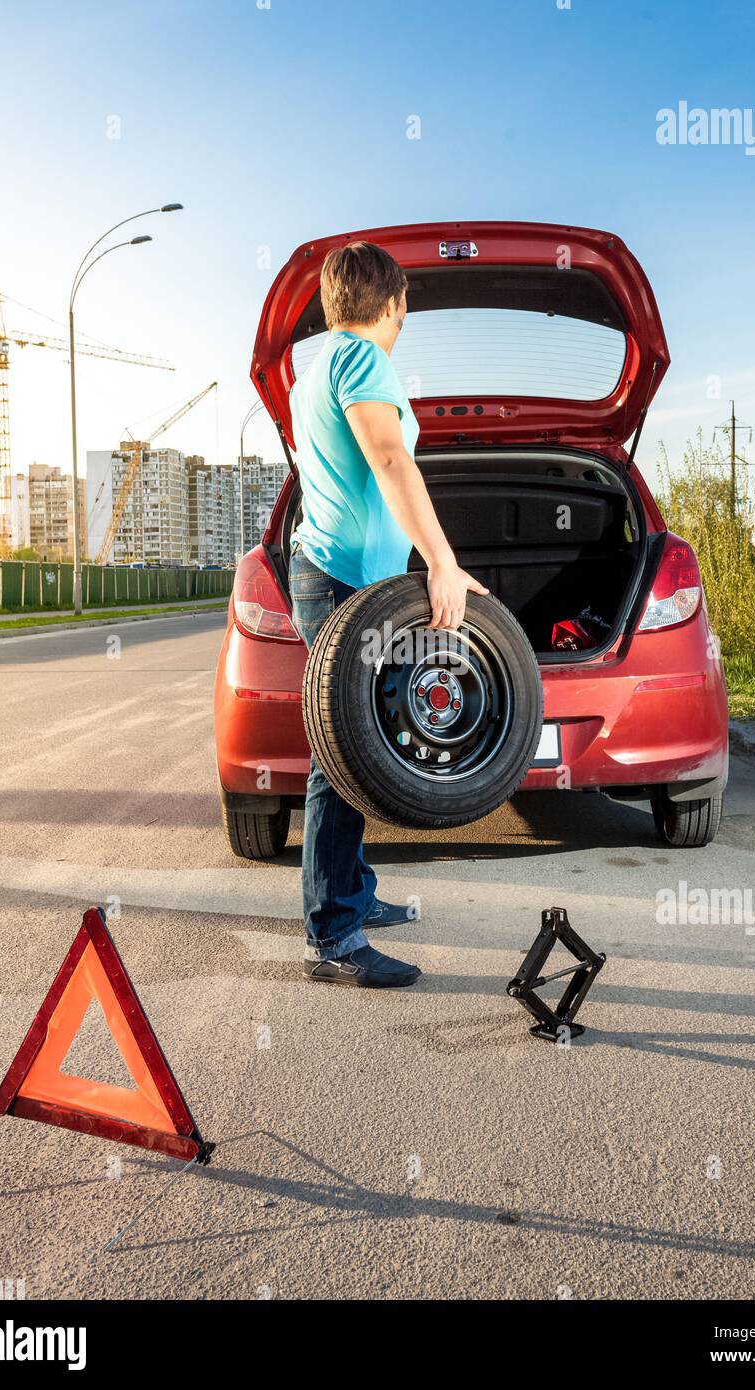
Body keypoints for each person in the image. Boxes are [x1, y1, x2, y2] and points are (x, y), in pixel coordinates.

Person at [289, 240, 487, 989]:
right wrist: (441, 562)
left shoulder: (317, 367)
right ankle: (333, 935)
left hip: (336, 576)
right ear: (394, 302)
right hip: (343, 581)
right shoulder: (363, 361)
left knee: (352, 744)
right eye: (405, 303)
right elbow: (390, 460)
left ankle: (352, 897)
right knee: (340, 755)